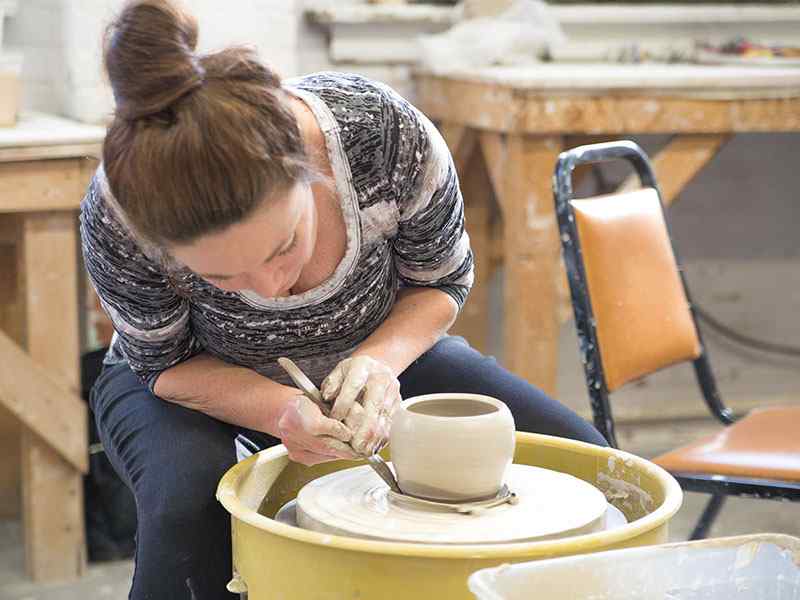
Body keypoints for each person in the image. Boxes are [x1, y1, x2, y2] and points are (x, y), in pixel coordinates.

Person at [81, 1, 607, 597]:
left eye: (285, 247)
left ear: (307, 167)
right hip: (185, 379)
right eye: (226, 279)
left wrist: (380, 362)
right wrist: (278, 412)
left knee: (585, 464)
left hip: (374, 345)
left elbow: (442, 281)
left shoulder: (381, 136)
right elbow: (163, 364)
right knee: (187, 506)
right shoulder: (117, 218)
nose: (272, 288)